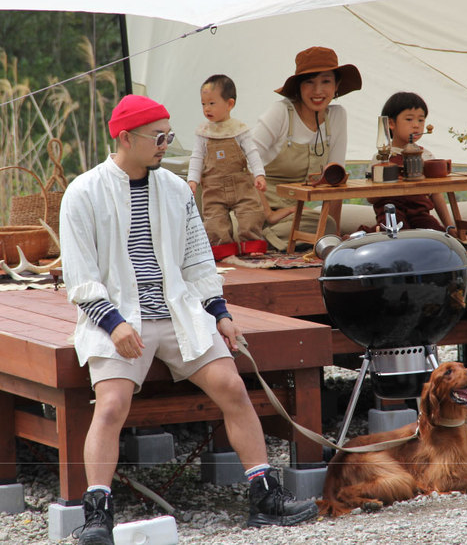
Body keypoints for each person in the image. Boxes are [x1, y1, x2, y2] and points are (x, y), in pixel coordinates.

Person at [59, 94, 319, 544]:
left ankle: (264, 496)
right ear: (125, 138)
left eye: (169, 135)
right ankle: (97, 515)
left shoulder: (175, 188)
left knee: (233, 387)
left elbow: (199, 262)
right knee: (112, 406)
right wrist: (114, 324)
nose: (166, 144)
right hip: (118, 321)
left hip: (178, 314)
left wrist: (220, 314)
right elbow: (80, 278)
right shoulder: (83, 191)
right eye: (159, 136)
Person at [252, 46, 361, 251]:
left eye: (326, 82)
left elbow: (335, 183)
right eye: (309, 82)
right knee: (248, 222)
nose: (318, 91)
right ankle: (257, 234)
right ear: (299, 87)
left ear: (337, 85)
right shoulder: (281, 112)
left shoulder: (337, 117)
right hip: (257, 208)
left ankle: (262, 240)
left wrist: (333, 237)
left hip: (295, 215)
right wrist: (268, 214)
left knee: (326, 225)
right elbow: (244, 162)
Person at [187, 74, 269, 260]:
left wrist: (259, 175)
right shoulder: (203, 133)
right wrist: (192, 179)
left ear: (229, 104)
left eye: (212, 103)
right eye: (203, 104)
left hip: (241, 184)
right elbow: (197, 157)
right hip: (213, 188)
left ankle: (252, 245)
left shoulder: (239, 129)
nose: (206, 108)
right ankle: (222, 249)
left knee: (250, 214)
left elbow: (252, 153)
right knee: (215, 220)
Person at [367, 92, 456, 231]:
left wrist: (449, 227)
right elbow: (370, 198)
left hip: (420, 214)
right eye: (409, 119)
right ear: (391, 123)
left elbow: (436, 194)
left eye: (421, 120)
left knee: (435, 236)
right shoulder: (381, 157)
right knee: (395, 234)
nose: (416, 125)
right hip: (391, 213)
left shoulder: (426, 156)